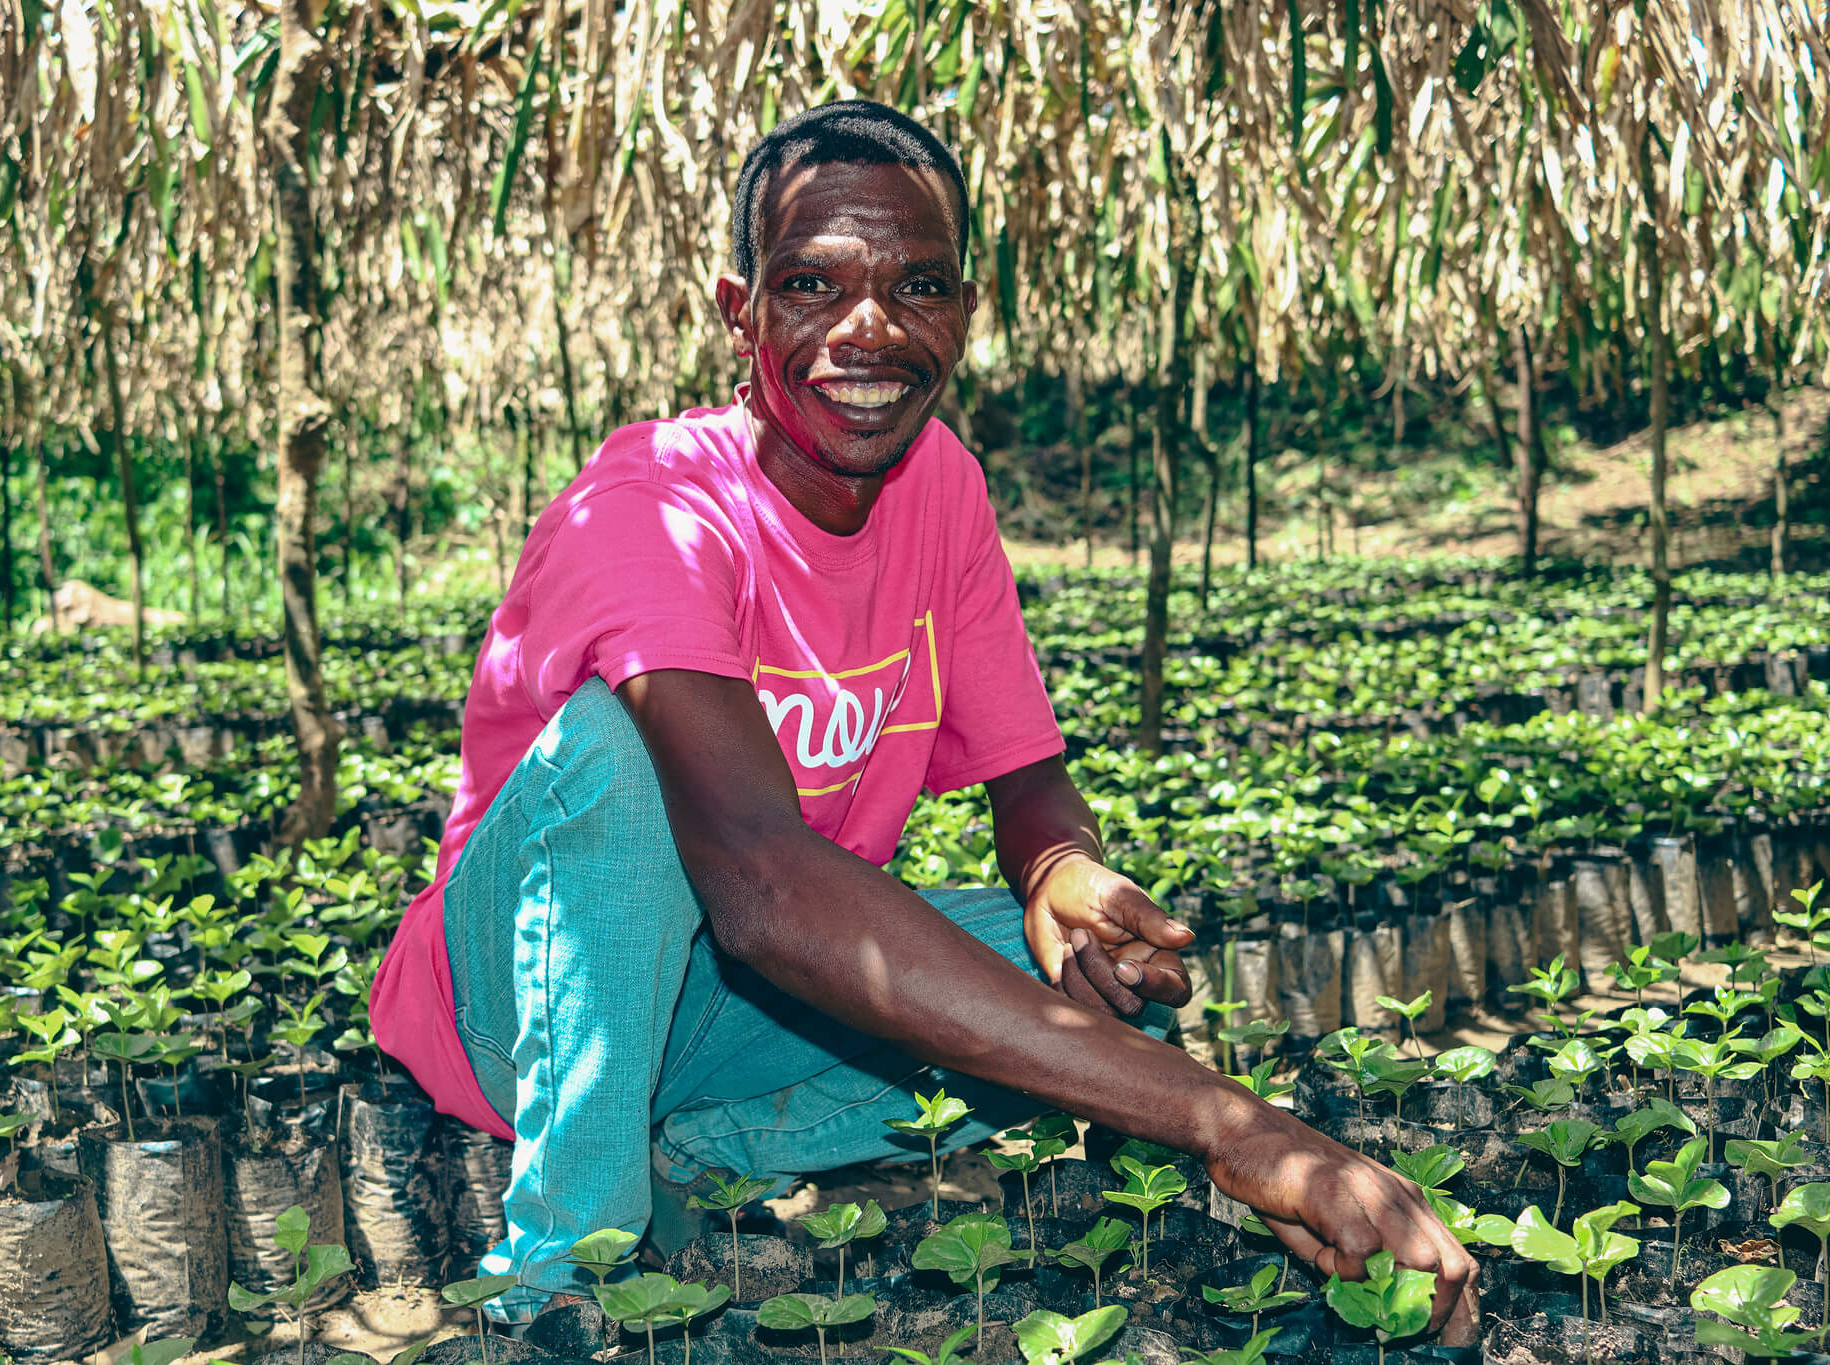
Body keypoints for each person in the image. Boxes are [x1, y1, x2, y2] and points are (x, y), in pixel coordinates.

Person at [370, 99, 1478, 1336]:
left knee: (1074, 991)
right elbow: (761, 885)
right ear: (738, 314)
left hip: (719, 1000)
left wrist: (1060, 872)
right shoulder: (650, 509)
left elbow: (1026, 778)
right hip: (518, 1010)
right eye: (809, 284)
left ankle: (683, 1144)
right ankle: (561, 1282)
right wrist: (1227, 1121)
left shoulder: (938, 480)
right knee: (629, 760)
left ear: (962, 310)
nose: (868, 329)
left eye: (918, 285)